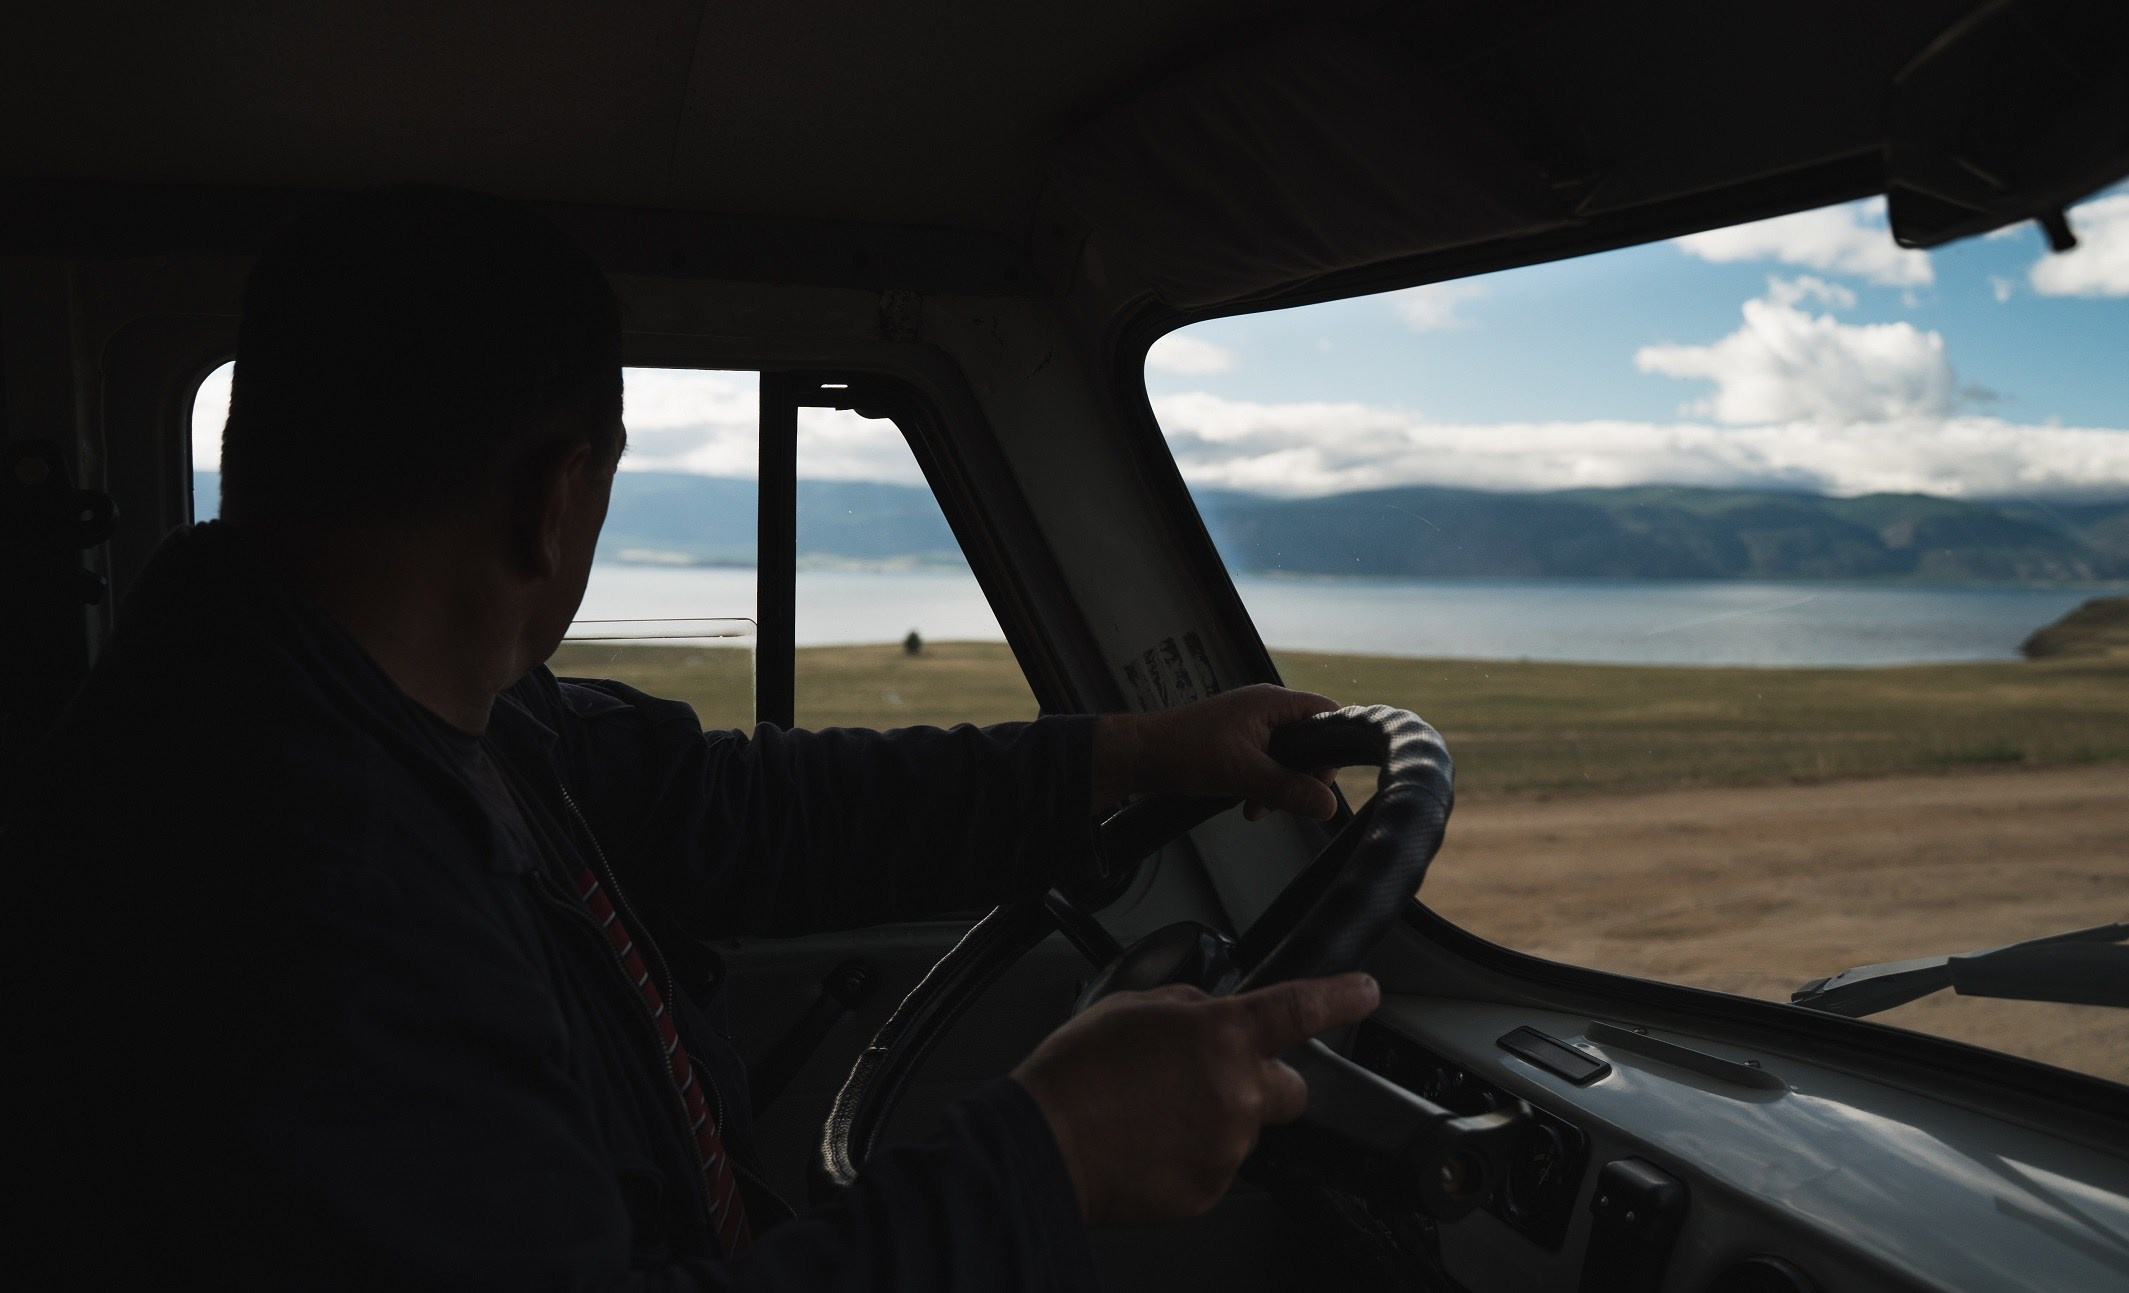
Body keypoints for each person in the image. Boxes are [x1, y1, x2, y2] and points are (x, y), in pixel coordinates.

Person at [1, 186, 1379, 1289]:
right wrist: (1054, 1152)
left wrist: (1134, 755)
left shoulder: (409, 712)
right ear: (556, 500)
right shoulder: (306, 885)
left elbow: (733, 808)